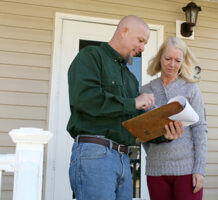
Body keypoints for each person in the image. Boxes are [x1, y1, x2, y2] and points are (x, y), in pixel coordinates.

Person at [66, 15, 183, 200]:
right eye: (141, 40)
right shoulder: (91, 57)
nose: (143, 47)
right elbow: (85, 99)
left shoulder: (130, 78)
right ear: (124, 31)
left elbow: (135, 121)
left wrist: (165, 134)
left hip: (123, 159)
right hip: (95, 154)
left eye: (145, 43)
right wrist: (134, 102)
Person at [141, 36, 208, 200]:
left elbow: (200, 129)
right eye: (168, 58)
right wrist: (152, 154)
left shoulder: (191, 89)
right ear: (160, 58)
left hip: (187, 170)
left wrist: (199, 169)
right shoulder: (146, 90)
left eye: (177, 60)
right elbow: (143, 132)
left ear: (183, 61)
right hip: (156, 170)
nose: (172, 64)